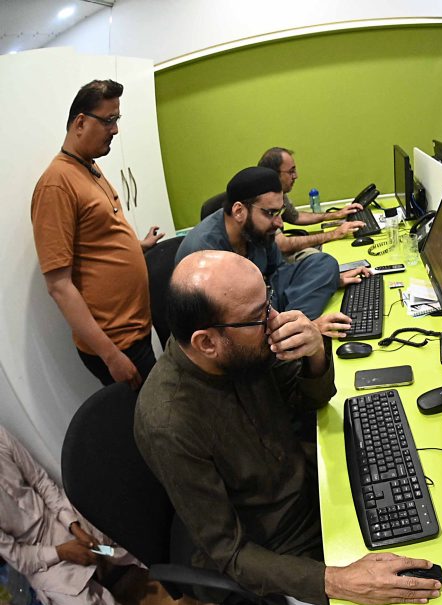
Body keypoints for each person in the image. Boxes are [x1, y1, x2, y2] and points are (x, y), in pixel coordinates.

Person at [134, 250, 441, 605]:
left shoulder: (241, 345)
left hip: (313, 491)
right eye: (260, 315)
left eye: (269, 302)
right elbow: (230, 553)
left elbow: (309, 400)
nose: (276, 319)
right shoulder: (169, 423)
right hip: (279, 550)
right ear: (207, 343)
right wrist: (337, 581)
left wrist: (315, 353)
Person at [31, 79, 164, 389]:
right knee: (151, 417)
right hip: (117, 344)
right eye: (109, 120)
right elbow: (59, 286)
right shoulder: (56, 184)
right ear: (80, 122)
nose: (115, 130)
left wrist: (137, 246)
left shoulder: (88, 166)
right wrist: (111, 356)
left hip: (135, 330)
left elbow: (99, 239)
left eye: (117, 119)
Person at [177, 166, 367, 335]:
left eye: (279, 212)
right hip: (237, 322)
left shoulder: (256, 231)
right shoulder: (203, 253)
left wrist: (330, 280)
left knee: (324, 263)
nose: (279, 223)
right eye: (270, 213)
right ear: (239, 211)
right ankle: (295, 332)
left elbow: (278, 272)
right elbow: (226, 323)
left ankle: (292, 329)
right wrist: (312, 323)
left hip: (265, 299)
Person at [0, 426, 146, 605]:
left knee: (110, 541)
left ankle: (167, 570)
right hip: (40, 559)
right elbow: (19, 558)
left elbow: (40, 481)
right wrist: (62, 552)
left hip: (56, 518)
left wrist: (73, 526)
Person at [257, 147, 366, 260]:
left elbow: (295, 217)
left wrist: (335, 215)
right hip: (271, 261)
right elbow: (283, 245)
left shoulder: (278, 191)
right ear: (274, 175)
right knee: (324, 257)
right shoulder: (263, 201)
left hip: (277, 253)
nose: (295, 176)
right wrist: (334, 234)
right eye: (291, 172)